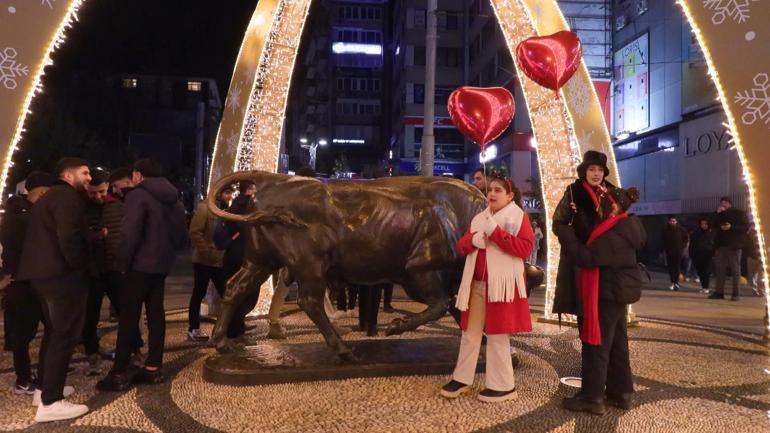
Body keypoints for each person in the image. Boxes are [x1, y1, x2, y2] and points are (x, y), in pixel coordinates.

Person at [440, 173, 533, 403]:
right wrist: (472, 241)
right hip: (476, 286)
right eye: (490, 189)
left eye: (498, 190)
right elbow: (462, 245)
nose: (491, 193)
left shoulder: (518, 217)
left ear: (510, 195)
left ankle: (503, 386)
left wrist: (496, 234)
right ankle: (462, 378)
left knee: (498, 336)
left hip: (501, 288)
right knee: (470, 335)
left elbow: (524, 249)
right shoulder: (479, 218)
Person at [97, 159, 187, 392]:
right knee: (156, 314)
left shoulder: (138, 196)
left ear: (137, 174)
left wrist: (122, 263)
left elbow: (129, 235)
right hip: (162, 264)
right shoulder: (174, 199)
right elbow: (181, 237)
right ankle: (153, 368)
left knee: (128, 317)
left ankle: (118, 372)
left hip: (139, 266)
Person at [556, 187, 645, 415]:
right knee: (617, 345)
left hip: (607, 294)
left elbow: (588, 257)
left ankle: (592, 397)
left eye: (603, 202)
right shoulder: (624, 226)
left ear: (614, 206)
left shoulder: (615, 233)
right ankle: (621, 392)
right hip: (615, 293)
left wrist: (567, 236)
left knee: (597, 346)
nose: (598, 206)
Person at [17, 158, 92, 422]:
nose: (89, 177)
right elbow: (68, 237)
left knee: (53, 333)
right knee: (64, 335)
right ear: (68, 176)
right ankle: (51, 403)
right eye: (84, 172)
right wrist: (80, 267)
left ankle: (44, 389)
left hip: (41, 276)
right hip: (60, 277)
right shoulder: (67, 198)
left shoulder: (50, 198)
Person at [0, 171, 54, 397]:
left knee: (49, 326)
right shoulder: (19, 215)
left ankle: (46, 371)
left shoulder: (28, 213)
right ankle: (23, 379)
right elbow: (9, 247)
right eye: (45, 193)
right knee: (23, 332)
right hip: (20, 283)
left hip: (31, 280)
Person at [552, 150, 617, 320]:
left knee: (606, 311)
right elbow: (558, 223)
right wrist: (575, 246)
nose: (596, 174)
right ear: (584, 171)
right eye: (592, 169)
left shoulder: (613, 194)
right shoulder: (574, 192)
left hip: (606, 262)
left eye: (600, 170)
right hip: (581, 262)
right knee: (585, 310)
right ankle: (588, 346)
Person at [81, 169, 125, 376]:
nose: (97, 196)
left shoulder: (117, 206)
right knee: (90, 314)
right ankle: (91, 351)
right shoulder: (79, 207)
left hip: (114, 267)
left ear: (107, 187)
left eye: (100, 192)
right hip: (90, 270)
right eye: (92, 193)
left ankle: (132, 348)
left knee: (125, 311)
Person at [187, 190, 228, 341]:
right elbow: (195, 231)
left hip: (219, 260)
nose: (229, 196)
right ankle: (193, 328)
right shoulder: (204, 208)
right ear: (218, 194)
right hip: (203, 260)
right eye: (227, 193)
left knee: (227, 293)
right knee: (198, 293)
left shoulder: (224, 210)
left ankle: (230, 326)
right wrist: (205, 251)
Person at [709, 197, 748, 301]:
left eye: (725, 203)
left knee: (735, 270)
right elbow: (710, 224)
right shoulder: (719, 214)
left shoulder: (738, 213)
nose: (723, 205)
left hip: (734, 245)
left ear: (730, 204)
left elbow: (745, 227)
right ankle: (719, 292)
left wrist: (731, 227)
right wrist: (716, 214)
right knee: (720, 269)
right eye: (722, 203)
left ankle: (736, 294)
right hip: (721, 245)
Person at [662, 217, 688, 291]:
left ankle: (676, 283)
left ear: (676, 222)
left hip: (678, 252)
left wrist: (683, 247)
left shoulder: (681, 229)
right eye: (671, 221)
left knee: (677, 267)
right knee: (670, 268)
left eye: (674, 221)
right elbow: (663, 240)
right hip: (669, 252)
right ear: (669, 222)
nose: (672, 222)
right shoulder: (666, 230)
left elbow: (686, 238)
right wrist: (664, 248)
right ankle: (672, 282)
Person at [690, 218, 715, 294]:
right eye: (702, 224)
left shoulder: (711, 233)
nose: (703, 225)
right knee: (700, 272)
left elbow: (713, 244)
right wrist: (691, 254)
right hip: (698, 255)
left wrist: (712, 253)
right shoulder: (696, 233)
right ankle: (703, 287)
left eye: (705, 224)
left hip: (707, 255)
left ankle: (706, 287)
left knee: (706, 272)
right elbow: (692, 244)